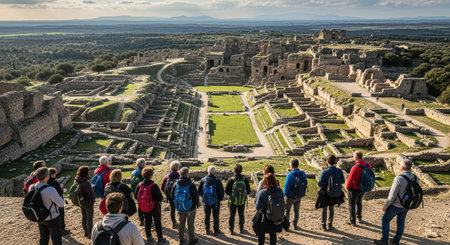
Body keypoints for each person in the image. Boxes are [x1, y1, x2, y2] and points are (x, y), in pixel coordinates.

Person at [374, 159, 417, 245]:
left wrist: (386, 205)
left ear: (402, 167)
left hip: (396, 205)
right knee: (401, 222)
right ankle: (395, 241)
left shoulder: (399, 178)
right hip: (407, 204)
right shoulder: (415, 177)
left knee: (385, 220)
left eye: (400, 165)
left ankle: (384, 240)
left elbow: (392, 195)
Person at [29, 167, 65, 245]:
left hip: (40, 217)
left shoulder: (32, 187)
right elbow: (61, 204)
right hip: (52, 217)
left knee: (43, 237)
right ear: (47, 176)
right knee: (56, 238)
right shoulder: (50, 189)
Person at [135, 167, 166, 245]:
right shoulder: (153, 185)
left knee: (147, 222)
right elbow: (160, 197)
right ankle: (160, 238)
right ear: (151, 175)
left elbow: (136, 196)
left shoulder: (139, 185)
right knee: (157, 222)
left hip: (145, 207)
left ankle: (149, 238)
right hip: (154, 207)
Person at [171, 167, 199, 245]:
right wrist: (195, 205)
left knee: (181, 224)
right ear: (187, 174)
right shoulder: (191, 185)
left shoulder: (176, 184)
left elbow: (172, 195)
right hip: (190, 208)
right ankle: (192, 240)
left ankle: (181, 239)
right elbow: (195, 197)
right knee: (190, 225)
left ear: (180, 174)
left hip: (180, 207)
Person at [318, 155, 345, 231]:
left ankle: (323, 224)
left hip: (326, 192)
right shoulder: (339, 171)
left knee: (324, 208)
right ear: (335, 162)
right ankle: (330, 225)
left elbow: (320, 183)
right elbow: (343, 181)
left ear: (327, 162)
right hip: (335, 192)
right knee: (332, 208)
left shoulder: (325, 172)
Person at [255, 174, 284, 245]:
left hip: (264, 217)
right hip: (275, 216)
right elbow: (283, 202)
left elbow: (257, 207)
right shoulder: (279, 190)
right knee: (273, 233)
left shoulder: (262, 192)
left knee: (261, 234)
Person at [346, 151, 372, 225]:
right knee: (359, 202)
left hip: (354, 188)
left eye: (353, 156)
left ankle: (352, 220)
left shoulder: (355, 168)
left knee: (352, 204)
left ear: (356, 157)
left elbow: (350, 180)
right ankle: (359, 217)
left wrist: (348, 188)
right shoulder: (367, 165)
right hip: (363, 187)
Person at [198, 165, 225, 236]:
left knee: (207, 215)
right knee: (216, 216)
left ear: (208, 172)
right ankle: (216, 231)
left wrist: (203, 197)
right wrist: (219, 199)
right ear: (214, 172)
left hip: (206, 201)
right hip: (215, 202)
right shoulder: (217, 181)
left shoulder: (203, 180)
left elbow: (199, 191)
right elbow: (221, 192)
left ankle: (207, 229)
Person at [225, 164, 251, 234]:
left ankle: (231, 229)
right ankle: (241, 229)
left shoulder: (231, 180)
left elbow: (227, 191)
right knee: (241, 214)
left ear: (234, 171)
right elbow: (248, 191)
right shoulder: (245, 179)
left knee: (232, 215)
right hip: (242, 200)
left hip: (232, 201)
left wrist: (232, 195)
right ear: (241, 171)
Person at [283, 158, 307, 230]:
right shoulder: (303, 174)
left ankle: (286, 226)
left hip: (290, 197)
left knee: (287, 211)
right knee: (296, 210)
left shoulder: (289, 175)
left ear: (291, 165)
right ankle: (295, 225)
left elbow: (286, 188)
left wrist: (283, 195)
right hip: (299, 196)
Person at [75, 166, 96, 238]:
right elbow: (90, 195)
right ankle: (90, 232)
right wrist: (93, 200)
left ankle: (85, 231)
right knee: (90, 217)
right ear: (86, 173)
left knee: (84, 216)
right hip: (88, 202)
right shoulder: (86, 183)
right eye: (88, 171)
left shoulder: (77, 180)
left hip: (81, 201)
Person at [47, 168, 69, 235]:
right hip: (57, 200)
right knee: (61, 214)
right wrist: (61, 188)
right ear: (53, 174)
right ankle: (62, 230)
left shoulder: (46, 181)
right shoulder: (55, 182)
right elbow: (59, 191)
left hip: (49, 201)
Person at [160, 160, 181, 229]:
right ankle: (181, 222)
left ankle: (174, 223)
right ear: (178, 168)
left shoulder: (166, 177)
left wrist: (167, 193)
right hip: (178, 196)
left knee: (172, 209)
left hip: (170, 196)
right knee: (180, 208)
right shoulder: (179, 177)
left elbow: (162, 187)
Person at [131, 158, 146, 226]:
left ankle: (141, 220)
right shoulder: (143, 173)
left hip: (135, 192)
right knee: (145, 205)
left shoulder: (134, 172)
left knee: (139, 205)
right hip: (143, 192)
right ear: (143, 165)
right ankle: (146, 219)